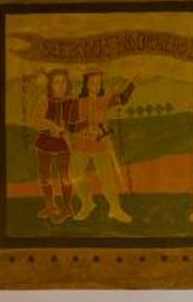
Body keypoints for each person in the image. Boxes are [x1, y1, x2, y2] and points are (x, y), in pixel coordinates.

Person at [68, 68, 137, 224]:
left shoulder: (105, 99)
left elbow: (123, 99)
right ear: (86, 84)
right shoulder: (77, 102)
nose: (95, 85)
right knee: (75, 175)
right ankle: (87, 203)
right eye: (92, 82)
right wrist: (86, 125)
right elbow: (71, 126)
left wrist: (132, 83)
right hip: (81, 144)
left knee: (107, 178)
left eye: (98, 82)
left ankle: (115, 208)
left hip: (101, 144)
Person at [33, 69, 79, 223]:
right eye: (57, 82)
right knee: (45, 176)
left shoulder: (72, 102)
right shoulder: (44, 100)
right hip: (45, 142)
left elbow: (74, 126)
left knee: (64, 176)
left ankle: (67, 207)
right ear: (50, 85)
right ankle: (50, 205)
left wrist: (66, 132)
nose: (61, 85)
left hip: (63, 143)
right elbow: (36, 121)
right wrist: (50, 125)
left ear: (68, 84)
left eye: (63, 82)